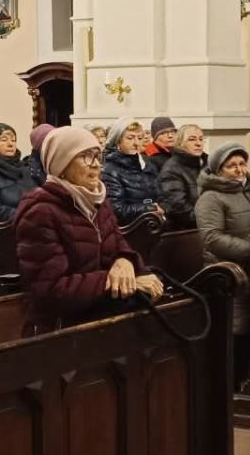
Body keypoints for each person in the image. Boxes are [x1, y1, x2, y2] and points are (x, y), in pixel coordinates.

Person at [13, 125, 161, 335]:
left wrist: (124, 261)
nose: (96, 165)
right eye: (85, 156)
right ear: (62, 164)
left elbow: (119, 245)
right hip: (60, 329)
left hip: (101, 317)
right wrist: (123, 282)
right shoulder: (40, 212)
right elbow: (51, 289)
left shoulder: (99, 202)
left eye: (97, 156)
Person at [194, 142, 250, 379]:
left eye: (242, 164)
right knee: (236, 332)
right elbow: (212, 237)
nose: (239, 170)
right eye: (231, 166)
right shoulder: (211, 198)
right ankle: (230, 386)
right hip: (227, 274)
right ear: (218, 170)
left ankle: (243, 381)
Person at [101, 118, 163, 226]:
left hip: (153, 223)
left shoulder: (146, 162)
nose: (136, 143)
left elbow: (161, 193)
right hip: (130, 228)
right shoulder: (110, 169)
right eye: (130, 138)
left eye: (140, 138)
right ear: (118, 140)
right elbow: (116, 210)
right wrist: (150, 208)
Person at [157, 123, 206, 225]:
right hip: (188, 227)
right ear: (180, 143)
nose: (198, 143)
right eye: (192, 139)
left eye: (201, 139)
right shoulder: (171, 169)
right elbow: (179, 208)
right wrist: (212, 218)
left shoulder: (208, 163)